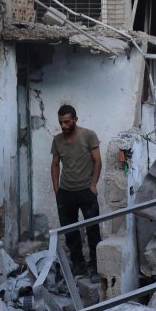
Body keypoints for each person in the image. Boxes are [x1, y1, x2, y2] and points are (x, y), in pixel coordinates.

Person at [51, 104, 102, 278]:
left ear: (75, 119)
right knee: (70, 232)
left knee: (93, 230)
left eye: (67, 122)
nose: (63, 126)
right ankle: (79, 266)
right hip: (66, 192)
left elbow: (97, 161)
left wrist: (93, 184)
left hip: (86, 191)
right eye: (61, 122)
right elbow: (55, 165)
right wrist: (57, 191)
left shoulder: (88, 135)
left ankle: (95, 267)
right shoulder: (57, 140)